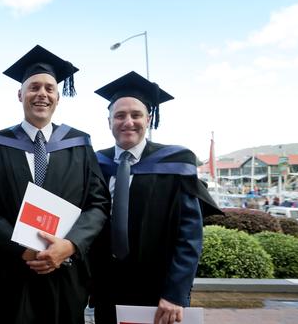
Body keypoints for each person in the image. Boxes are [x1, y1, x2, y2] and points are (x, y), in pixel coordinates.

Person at [0, 45, 110, 324]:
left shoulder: (79, 143)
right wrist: (22, 248)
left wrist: (71, 245)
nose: (42, 94)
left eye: (49, 88)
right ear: (20, 94)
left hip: (66, 273)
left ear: (58, 97)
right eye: (34, 87)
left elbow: (98, 205)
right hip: (12, 273)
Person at [89, 71, 222, 324]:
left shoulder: (175, 163)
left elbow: (189, 235)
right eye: (120, 115)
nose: (128, 121)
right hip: (107, 289)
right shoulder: (95, 162)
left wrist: (176, 293)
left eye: (136, 115)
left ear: (148, 119)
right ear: (109, 122)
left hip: (159, 292)